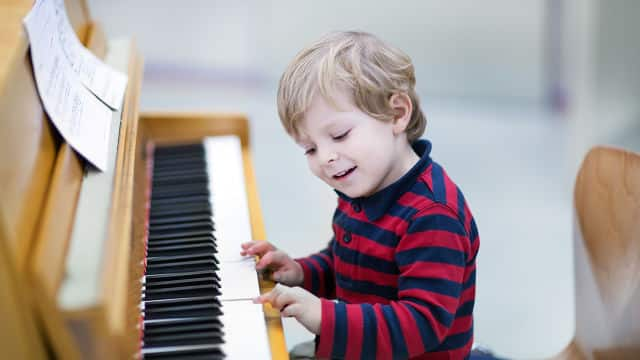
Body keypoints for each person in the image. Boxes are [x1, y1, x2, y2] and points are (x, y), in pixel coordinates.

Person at [241, 31, 480, 359]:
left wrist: (325, 316)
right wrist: (300, 272)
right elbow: (347, 265)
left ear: (397, 114)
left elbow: (421, 323)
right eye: (310, 148)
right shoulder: (365, 189)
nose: (325, 157)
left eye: (339, 135)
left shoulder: (432, 215)